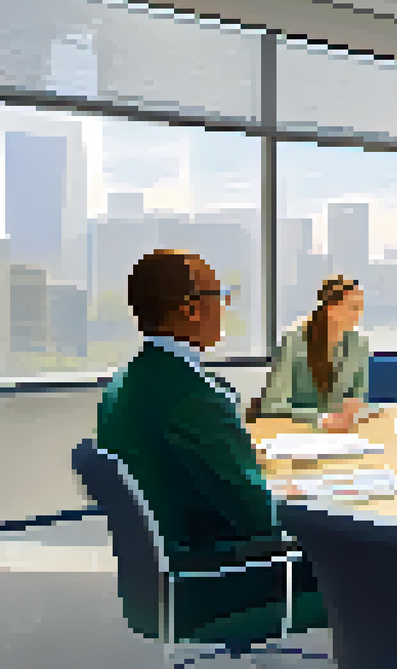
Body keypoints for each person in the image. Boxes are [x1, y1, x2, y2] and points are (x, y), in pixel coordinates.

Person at [95, 249, 328, 645]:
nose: (224, 306)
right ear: (190, 310)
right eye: (219, 294)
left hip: (167, 574)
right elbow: (260, 520)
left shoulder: (131, 379)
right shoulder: (191, 396)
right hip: (213, 583)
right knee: (378, 566)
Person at [255, 276, 372, 431]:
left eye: (361, 307)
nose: (359, 314)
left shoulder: (359, 344)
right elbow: (272, 405)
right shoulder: (293, 341)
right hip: (298, 432)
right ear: (331, 309)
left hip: (344, 433)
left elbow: (358, 398)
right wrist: (319, 419)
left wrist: (355, 411)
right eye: (354, 307)